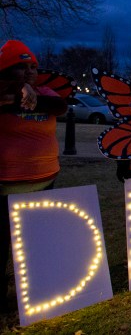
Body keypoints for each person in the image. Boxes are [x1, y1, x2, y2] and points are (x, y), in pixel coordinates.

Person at [0, 39, 68, 309]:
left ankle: (39, 290)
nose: (29, 72)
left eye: (33, 67)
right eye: (21, 67)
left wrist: (32, 94)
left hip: (44, 181)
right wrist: (15, 94)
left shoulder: (45, 93)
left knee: (37, 242)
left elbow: (59, 106)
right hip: (6, 185)